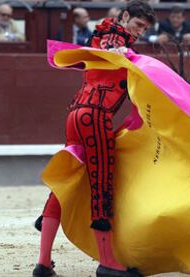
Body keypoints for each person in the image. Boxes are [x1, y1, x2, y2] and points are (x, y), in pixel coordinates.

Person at [32, 1, 155, 277]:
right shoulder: (115, 34)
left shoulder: (101, 33)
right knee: (101, 185)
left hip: (75, 114)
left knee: (64, 185)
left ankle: (43, 263)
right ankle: (108, 262)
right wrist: (119, 50)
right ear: (125, 17)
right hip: (96, 117)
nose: (140, 32)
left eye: (145, 29)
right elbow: (111, 44)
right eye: (138, 25)